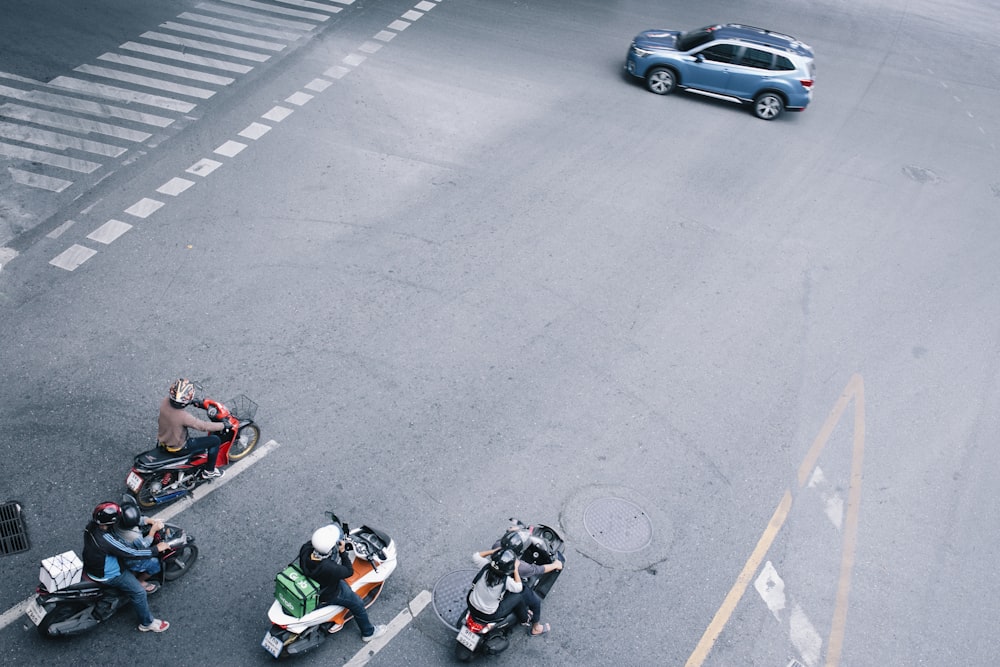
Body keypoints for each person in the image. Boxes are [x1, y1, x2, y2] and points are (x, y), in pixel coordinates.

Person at [82, 502, 170, 633]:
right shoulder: (106, 540)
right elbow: (132, 553)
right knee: (139, 593)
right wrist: (156, 549)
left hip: (92, 563)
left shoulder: (91, 527)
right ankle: (147, 623)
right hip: (109, 574)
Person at [298, 524, 387, 642]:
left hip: (311, 581)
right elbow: (349, 571)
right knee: (357, 603)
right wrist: (343, 552)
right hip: (330, 593)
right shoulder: (329, 567)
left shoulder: (306, 549)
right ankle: (368, 632)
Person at [468, 547, 552, 637]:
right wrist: (515, 569)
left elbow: (476, 556)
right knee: (518, 597)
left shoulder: (485, 566)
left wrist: (493, 551)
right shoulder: (506, 581)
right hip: (488, 614)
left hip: (471, 604)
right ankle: (527, 621)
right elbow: (519, 587)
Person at [157, 378, 228, 479]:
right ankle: (209, 471)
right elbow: (203, 426)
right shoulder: (183, 416)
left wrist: (191, 402)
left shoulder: (165, 402)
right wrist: (223, 425)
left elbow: (178, 402)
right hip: (179, 447)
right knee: (215, 440)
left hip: (164, 439)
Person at [115, 502, 165, 593]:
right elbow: (144, 545)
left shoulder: (117, 521)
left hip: (119, 549)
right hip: (131, 559)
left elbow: (138, 520)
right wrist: (153, 530)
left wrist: (151, 521)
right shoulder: (133, 536)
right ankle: (140, 581)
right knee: (155, 564)